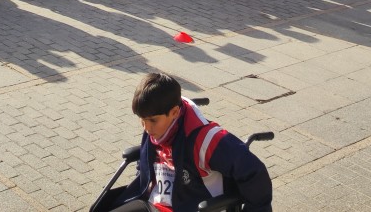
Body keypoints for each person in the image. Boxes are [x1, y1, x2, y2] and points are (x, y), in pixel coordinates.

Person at [100, 72, 272, 212]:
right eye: (142, 120)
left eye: (152, 120)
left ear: (175, 112)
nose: (146, 127)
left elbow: (254, 172)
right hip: (152, 200)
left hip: (188, 205)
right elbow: (146, 160)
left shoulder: (206, 139)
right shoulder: (154, 123)